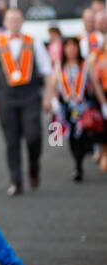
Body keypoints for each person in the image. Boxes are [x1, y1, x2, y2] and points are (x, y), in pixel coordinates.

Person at [0, 8, 56, 196]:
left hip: (30, 96)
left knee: (33, 136)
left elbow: (48, 72)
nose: (14, 23)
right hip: (6, 97)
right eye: (10, 19)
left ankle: (33, 166)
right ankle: (16, 180)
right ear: (4, 23)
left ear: (22, 21)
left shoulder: (33, 42)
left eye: (17, 19)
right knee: (11, 141)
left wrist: (48, 97)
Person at [52, 37, 107, 181]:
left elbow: (95, 85)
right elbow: (52, 85)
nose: (71, 50)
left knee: (82, 136)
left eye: (74, 46)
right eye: (68, 47)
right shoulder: (59, 66)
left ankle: (79, 165)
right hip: (66, 107)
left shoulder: (85, 65)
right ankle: (77, 163)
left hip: (82, 108)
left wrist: (103, 104)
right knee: (70, 137)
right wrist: (51, 101)